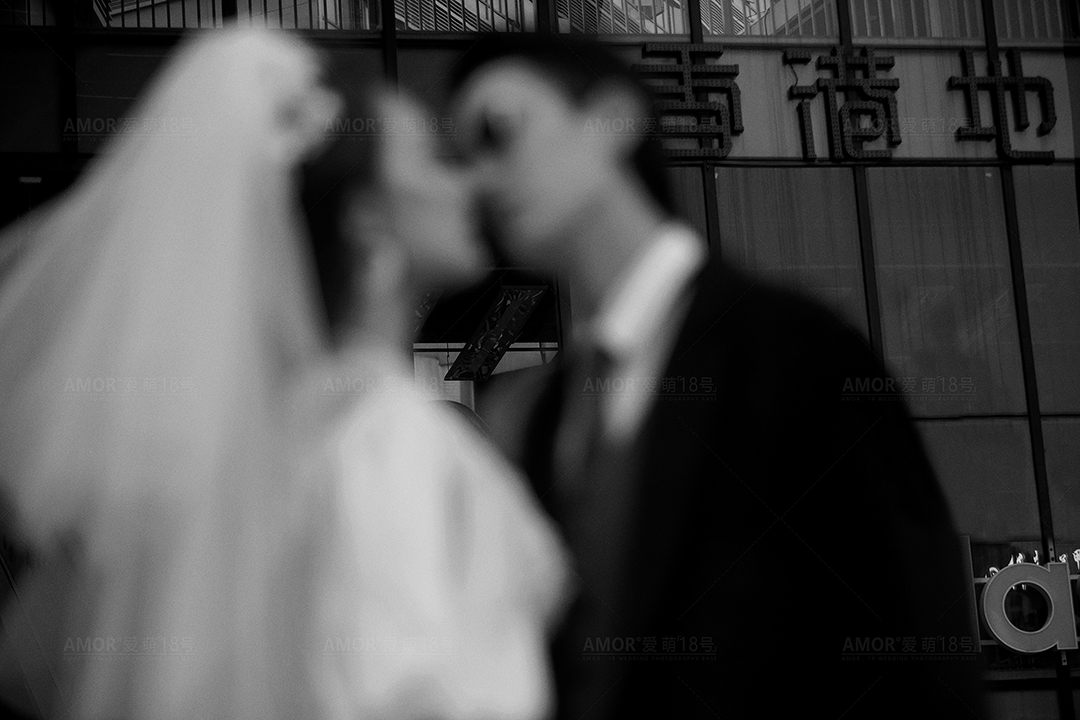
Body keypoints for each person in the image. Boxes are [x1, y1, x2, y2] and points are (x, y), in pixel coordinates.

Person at [0, 28, 568, 720]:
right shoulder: (385, 435)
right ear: (367, 219)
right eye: (435, 158)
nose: (470, 184)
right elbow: (407, 691)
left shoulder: (257, 445)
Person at [451, 34, 985, 720]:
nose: (483, 179)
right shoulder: (539, 410)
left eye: (499, 132)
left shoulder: (794, 351)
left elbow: (918, 645)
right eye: (463, 159)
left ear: (612, 119)